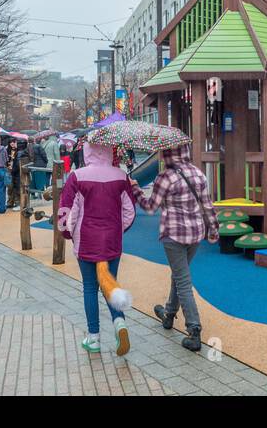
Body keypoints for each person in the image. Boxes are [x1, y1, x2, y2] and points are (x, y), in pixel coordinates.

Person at [133, 143, 219, 353]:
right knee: (179, 274)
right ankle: (169, 315)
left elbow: (150, 207)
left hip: (174, 235)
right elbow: (207, 205)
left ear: (168, 155)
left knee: (182, 280)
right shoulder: (198, 174)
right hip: (196, 233)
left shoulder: (164, 177)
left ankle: (194, 330)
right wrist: (214, 229)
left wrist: (135, 189)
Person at [57, 142, 139, 355]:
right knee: (109, 283)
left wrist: (68, 233)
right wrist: (117, 230)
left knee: (90, 288)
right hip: (111, 241)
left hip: (87, 241)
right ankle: (119, 322)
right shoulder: (121, 177)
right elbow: (130, 212)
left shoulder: (78, 176)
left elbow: (67, 211)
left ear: (87, 152)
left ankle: (93, 338)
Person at [4, 137, 24, 211]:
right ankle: (10, 202)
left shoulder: (19, 151)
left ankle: (17, 202)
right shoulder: (7, 150)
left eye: (13, 142)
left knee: (16, 187)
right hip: (9, 170)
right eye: (11, 142)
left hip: (16, 170)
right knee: (10, 187)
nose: (12, 143)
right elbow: (5, 159)